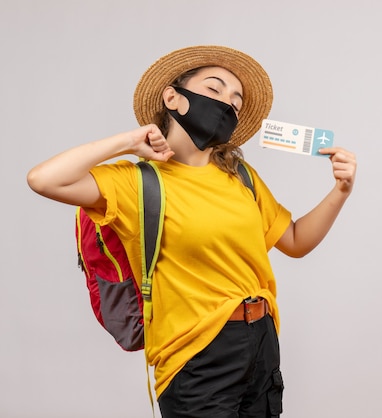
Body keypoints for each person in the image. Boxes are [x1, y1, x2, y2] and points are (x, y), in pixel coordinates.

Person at [26, 45, 357, 418]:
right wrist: (128, 142)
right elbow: (42, 179)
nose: (227, 104)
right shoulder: (137, 184)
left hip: (262, 342)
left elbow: (295, 241)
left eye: (236, 100)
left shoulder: (242, 178)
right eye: (214, 90)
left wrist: (340, 191)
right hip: (196, 356)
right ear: (173, 97)